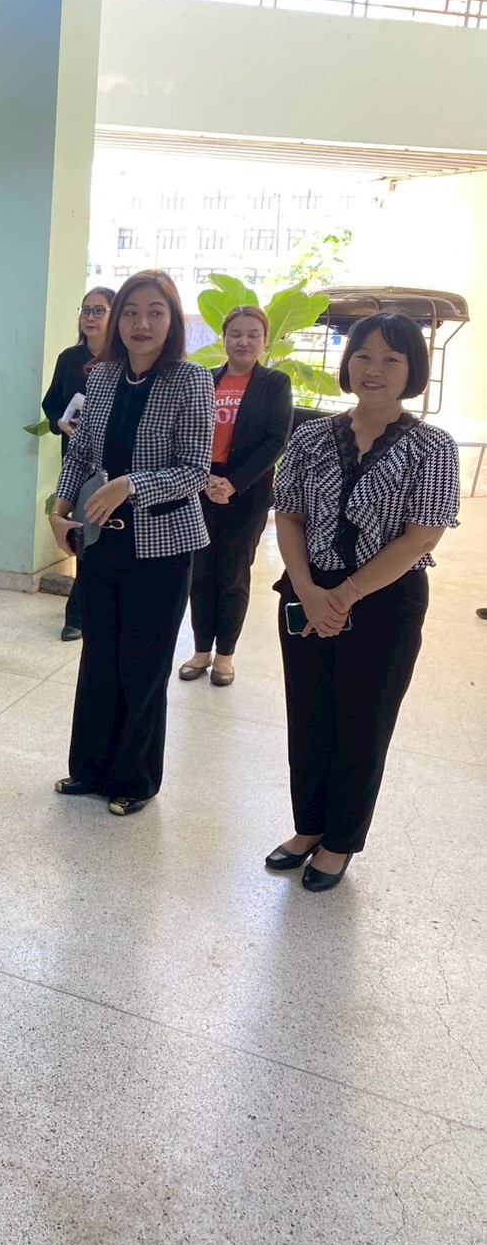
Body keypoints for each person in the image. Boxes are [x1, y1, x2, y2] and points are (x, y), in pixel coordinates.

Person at [267, 313, 460, 891]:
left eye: (391, 359)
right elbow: (289, 515)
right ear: (347, 364)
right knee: (308, 715)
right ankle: (309, 826)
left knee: (364, 722)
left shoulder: (433, 446)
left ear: (412, 369)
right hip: (307, 591)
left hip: (385, 602)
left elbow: (422, 537)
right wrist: (308, 590)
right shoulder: (309, 437)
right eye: (363, 356)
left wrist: (346, 595)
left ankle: (341, 841)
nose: (374, 369)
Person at [49, 271, 213, 817]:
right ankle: (89, 769)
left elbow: (194, 469)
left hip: (161, 548)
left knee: (142, 665)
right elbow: (81, 452)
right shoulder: (101, 376)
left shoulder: (191, 380)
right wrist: (60, 510)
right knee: (98, 657)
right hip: (100, 542)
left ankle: (135, 780)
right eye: (132, 312)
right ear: (117, 320)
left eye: (156, 312)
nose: (142, 323)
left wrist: (130, 485)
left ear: (172, 321)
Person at [178, 306, 292, 686]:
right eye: (236, 334)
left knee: (233, 575)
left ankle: (225, 655)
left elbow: (275, 440)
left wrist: (233, 483)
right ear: (224, 338)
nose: (243, 341)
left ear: (264, 341)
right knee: (200, 573)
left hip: (246, 492)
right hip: (201, 486)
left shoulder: (274, 383)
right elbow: (188, 431)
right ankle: (201, 650)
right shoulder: (205, 380)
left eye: (252, 335)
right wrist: (205, 478)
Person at [41, 286, 115, 642]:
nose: (90, 317)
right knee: (82, 528)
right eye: (86, 310)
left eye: (99, 310)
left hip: (113, 460)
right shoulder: (69, 358)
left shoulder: (122, 359)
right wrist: (60, 422)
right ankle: (77, 614)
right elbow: (52, 403)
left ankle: (97, 606)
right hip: (76, 455)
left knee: (105, 530)